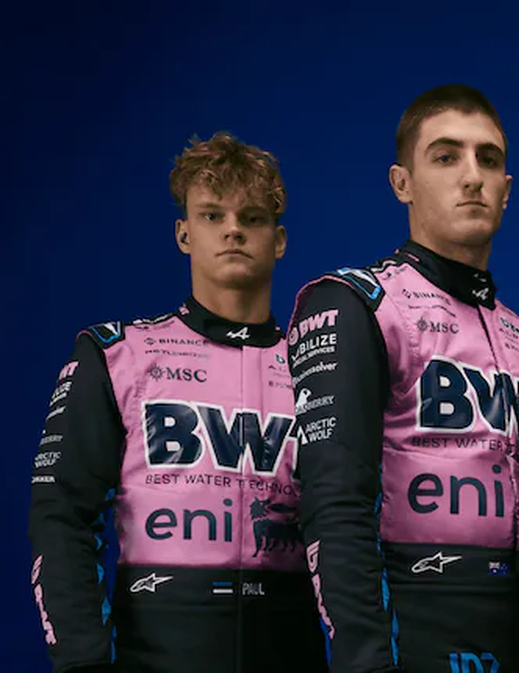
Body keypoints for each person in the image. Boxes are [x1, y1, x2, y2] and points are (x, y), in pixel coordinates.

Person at [289, 84, 519, 673]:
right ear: (403, 182)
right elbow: (333, 501)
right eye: (446, 157)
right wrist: (367, 661)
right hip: (414, 635)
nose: (471, 176)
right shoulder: (356, 303)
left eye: (487, 160)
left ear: (506, 189)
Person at [28, 132, 326, 672]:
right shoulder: (117, 354)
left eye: (252, 217)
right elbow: (61, 515)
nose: (233, 229)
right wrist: (83, 662)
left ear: (279, 239)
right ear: (183, 233)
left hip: (291, 648)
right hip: (157, 650)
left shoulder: (320, 368)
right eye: (212, 215)